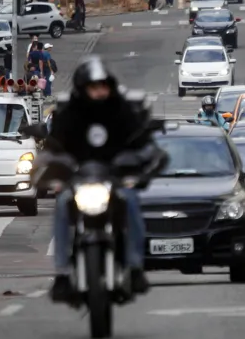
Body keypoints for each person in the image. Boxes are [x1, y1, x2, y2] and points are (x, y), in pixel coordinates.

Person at [45, 57, 163, 301]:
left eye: (103, 86)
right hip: (79, 180)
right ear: (82, 88)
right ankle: (62, 273)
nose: (99, 92)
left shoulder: (121, 111)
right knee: (62, 206)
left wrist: (142, 163)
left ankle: (134, 268)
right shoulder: (69, 115)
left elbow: (140, 142)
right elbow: (54, 147)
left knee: (131, 202)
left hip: (114, 180)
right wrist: (49, 171)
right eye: (93, 86)